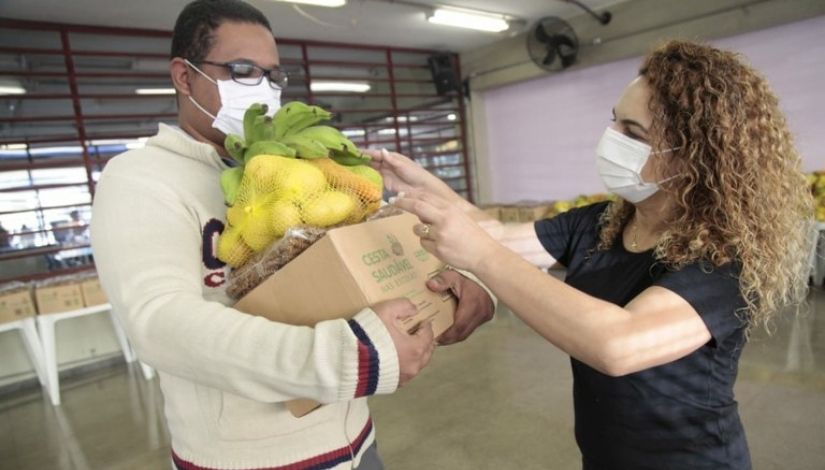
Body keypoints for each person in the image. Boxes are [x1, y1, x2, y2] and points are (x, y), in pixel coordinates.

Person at [370, 40, 813, 469]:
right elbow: (495, 234)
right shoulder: (604, 221)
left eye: (632, 132)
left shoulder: (722, 254)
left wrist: (481, 257)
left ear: (693, 158)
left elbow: (618, 343)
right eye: (614, 120)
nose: (610, 138)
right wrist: (420, 183)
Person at [90, 1, 494, 469]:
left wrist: (459, 280)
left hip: (357, 441)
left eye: (273, 75)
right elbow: (160, 324)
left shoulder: (297, 169)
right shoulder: (140, 180)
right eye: (242, 70)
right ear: (184, 76)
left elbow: (366, 252)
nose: (261, 88)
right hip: (253, 460)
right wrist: (349, 357)